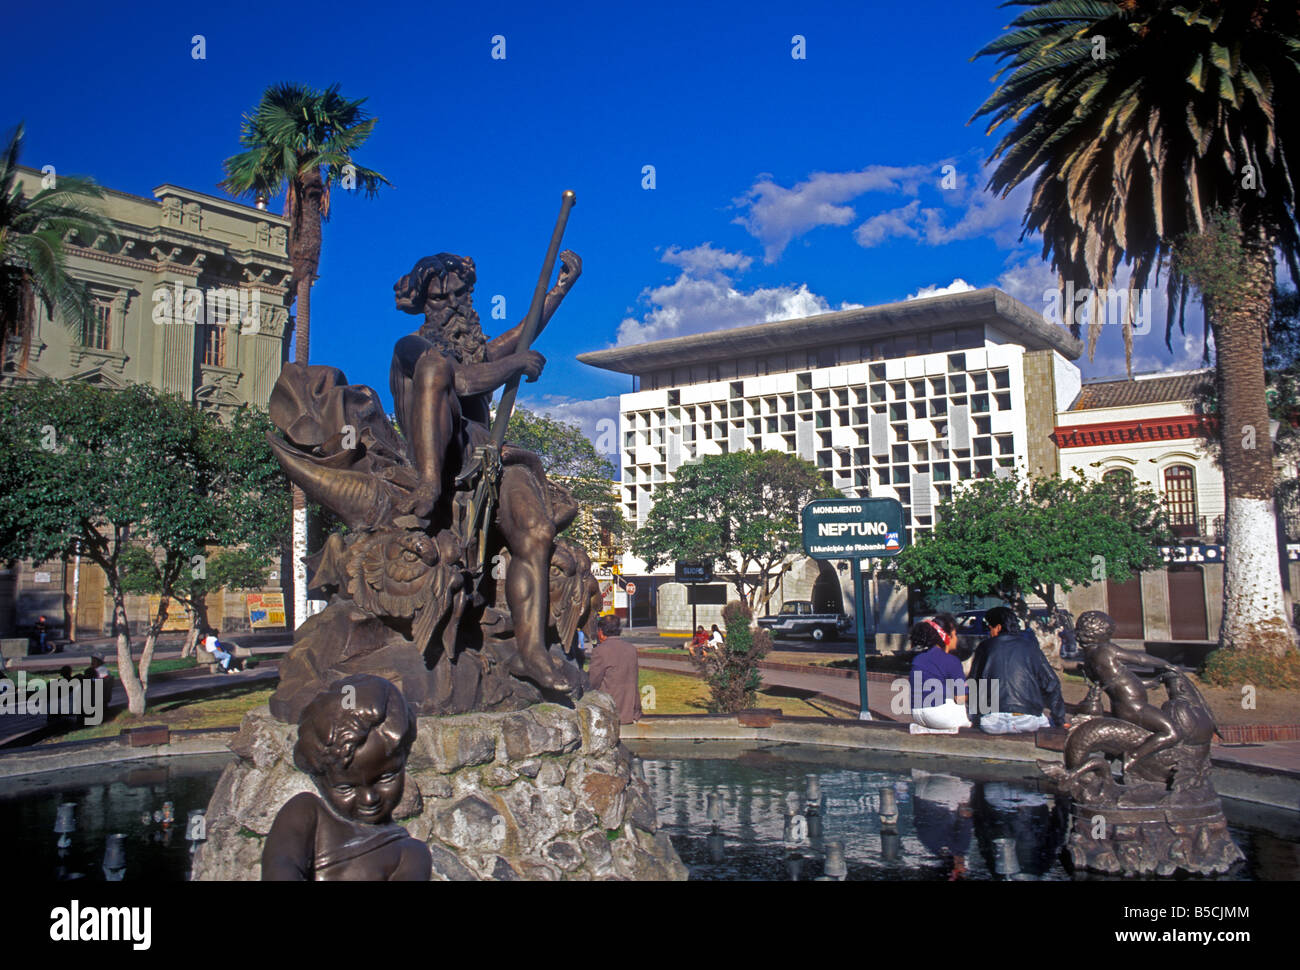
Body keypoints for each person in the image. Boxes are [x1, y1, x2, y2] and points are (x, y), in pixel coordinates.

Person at [262, 675, 432, 881]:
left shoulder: (409, 854)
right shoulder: (307, 813)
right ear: (318, 780)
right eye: (346, 788)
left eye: (386, 778)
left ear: (404, 760)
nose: (370, 799)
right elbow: (280, 866)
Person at [969, 606, 1068, 734]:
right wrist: (1060, 720)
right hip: (1027, 719)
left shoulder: (985, 647)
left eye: (989, 628)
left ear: (998, 627)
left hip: (992, 721)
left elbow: (974, 683)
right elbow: (1051, 684)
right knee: (1051, 722)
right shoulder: (1030, 647)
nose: (989, 632)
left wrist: (976, 718)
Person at [908, 614, 972, 734]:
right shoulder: (952, 661)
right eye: (955, 634)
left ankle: (931, 729)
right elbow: (960, 699)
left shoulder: (918, 658)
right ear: (947, 637)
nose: (956, 639)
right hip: (939, 716)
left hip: (917, 715)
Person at [588, 614, 642, 725]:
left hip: (608, 713)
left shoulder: (600, 651)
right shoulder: (631, 649)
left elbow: (593, 682)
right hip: (630, 712)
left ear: (601, 632)